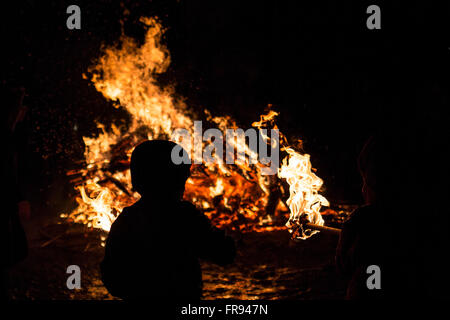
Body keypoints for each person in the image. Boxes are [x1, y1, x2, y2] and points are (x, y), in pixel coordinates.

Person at [100, 140, 236, 300]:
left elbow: (111, 275)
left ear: (137, 180)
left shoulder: (127, 219)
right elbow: (223, 253)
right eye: (184, 175)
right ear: (178, 179)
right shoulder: (184, 216)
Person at [335, 131, 421, 299]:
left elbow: (343, 265)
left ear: (375, 182)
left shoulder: (363, 220)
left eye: (365, 181)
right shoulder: (419, 216)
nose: (362, 189)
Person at [1, 86, 31, 300]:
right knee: (11, 248)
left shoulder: (9, 136)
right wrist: (19, 199)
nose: (25, 110)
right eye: (21, 105)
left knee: (15, 248)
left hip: (8, 202)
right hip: (4, 203)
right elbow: (5, 174)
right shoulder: (4, 139)